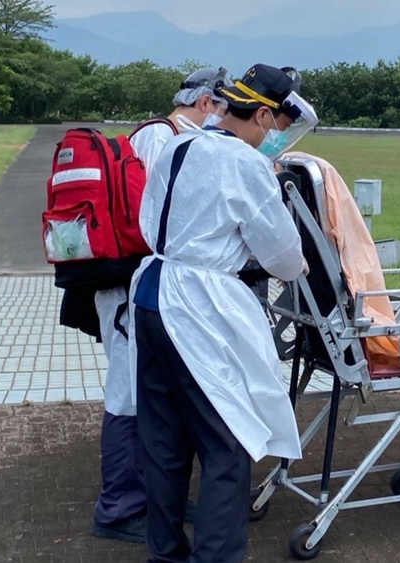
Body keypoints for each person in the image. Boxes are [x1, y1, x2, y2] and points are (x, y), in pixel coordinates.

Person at [130, 64, 317, 562]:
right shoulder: (245, 164)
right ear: (260, 114)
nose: (275, 136)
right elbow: (282, 255)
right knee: (227, 445)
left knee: (165, 445)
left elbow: (153, 217)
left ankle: (165, 553)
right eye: (275, 125)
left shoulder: (178, 144)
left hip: (151, 291)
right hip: (196, 308)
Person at [89, 67, 233, 544]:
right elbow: (160, 219)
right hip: (130, 283)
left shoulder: (166, 135)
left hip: (139, 284)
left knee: (148, 397)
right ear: (206, 103)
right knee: (127, 396)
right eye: (222, 106)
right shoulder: (161, 138)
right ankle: (119, 506)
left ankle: (151, 497)